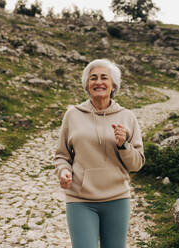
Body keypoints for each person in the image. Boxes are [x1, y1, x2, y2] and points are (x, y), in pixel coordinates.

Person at [54, 58, 145, 248]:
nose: (98, 82)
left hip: (117, 199)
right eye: (93, 78)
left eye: (104, 77)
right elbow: (62, 155)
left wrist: (123, 145)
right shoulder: (73, 115)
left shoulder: (127, 117)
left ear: (113, 85)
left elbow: (136, 164)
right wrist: (63, 171)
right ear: (87, 85)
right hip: (80, 199)